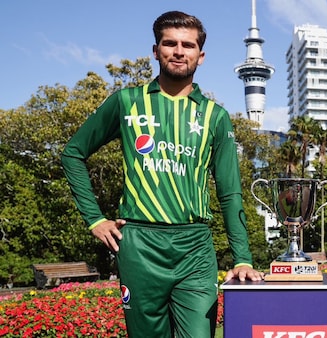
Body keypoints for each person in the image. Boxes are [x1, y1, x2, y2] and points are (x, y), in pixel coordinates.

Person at [61, 11, 264, 338]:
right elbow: (73, 153)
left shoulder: (216, 116)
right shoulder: (126, 102)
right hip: (140, 243)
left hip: (195, 246)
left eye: (188, 45)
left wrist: (242, 257)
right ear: (156, 51)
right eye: (170, 43)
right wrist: (95, 219)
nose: (179, 51)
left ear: (201, 54)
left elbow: (229, 192)